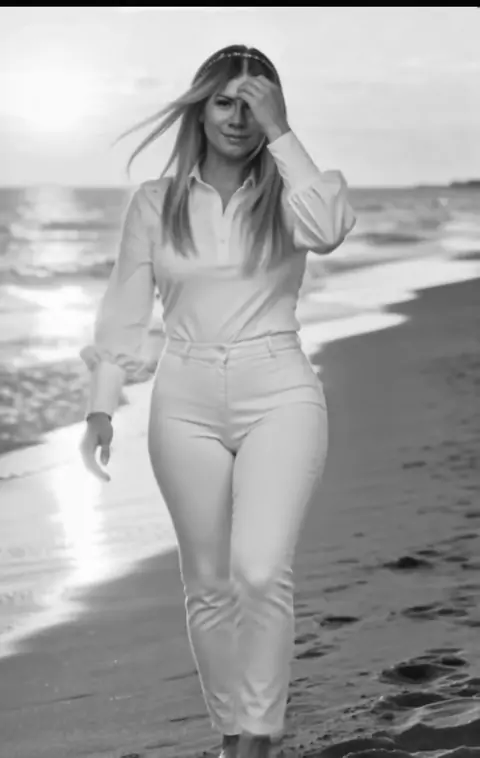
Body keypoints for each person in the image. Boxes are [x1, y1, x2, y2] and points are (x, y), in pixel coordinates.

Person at [79, 44, 356, 758]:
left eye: (254, 105)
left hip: (280, 390)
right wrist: (102, 405)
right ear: (199, 109)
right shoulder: (155, 203)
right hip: (185, 397)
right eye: (224, 102)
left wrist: (283, 132)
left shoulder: (293, 194)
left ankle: (260, 739)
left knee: (259, 571)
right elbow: (124, 309)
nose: (238, 118)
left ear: (274, 111)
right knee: (206, 582)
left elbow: (329, 229)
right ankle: (233, 736)